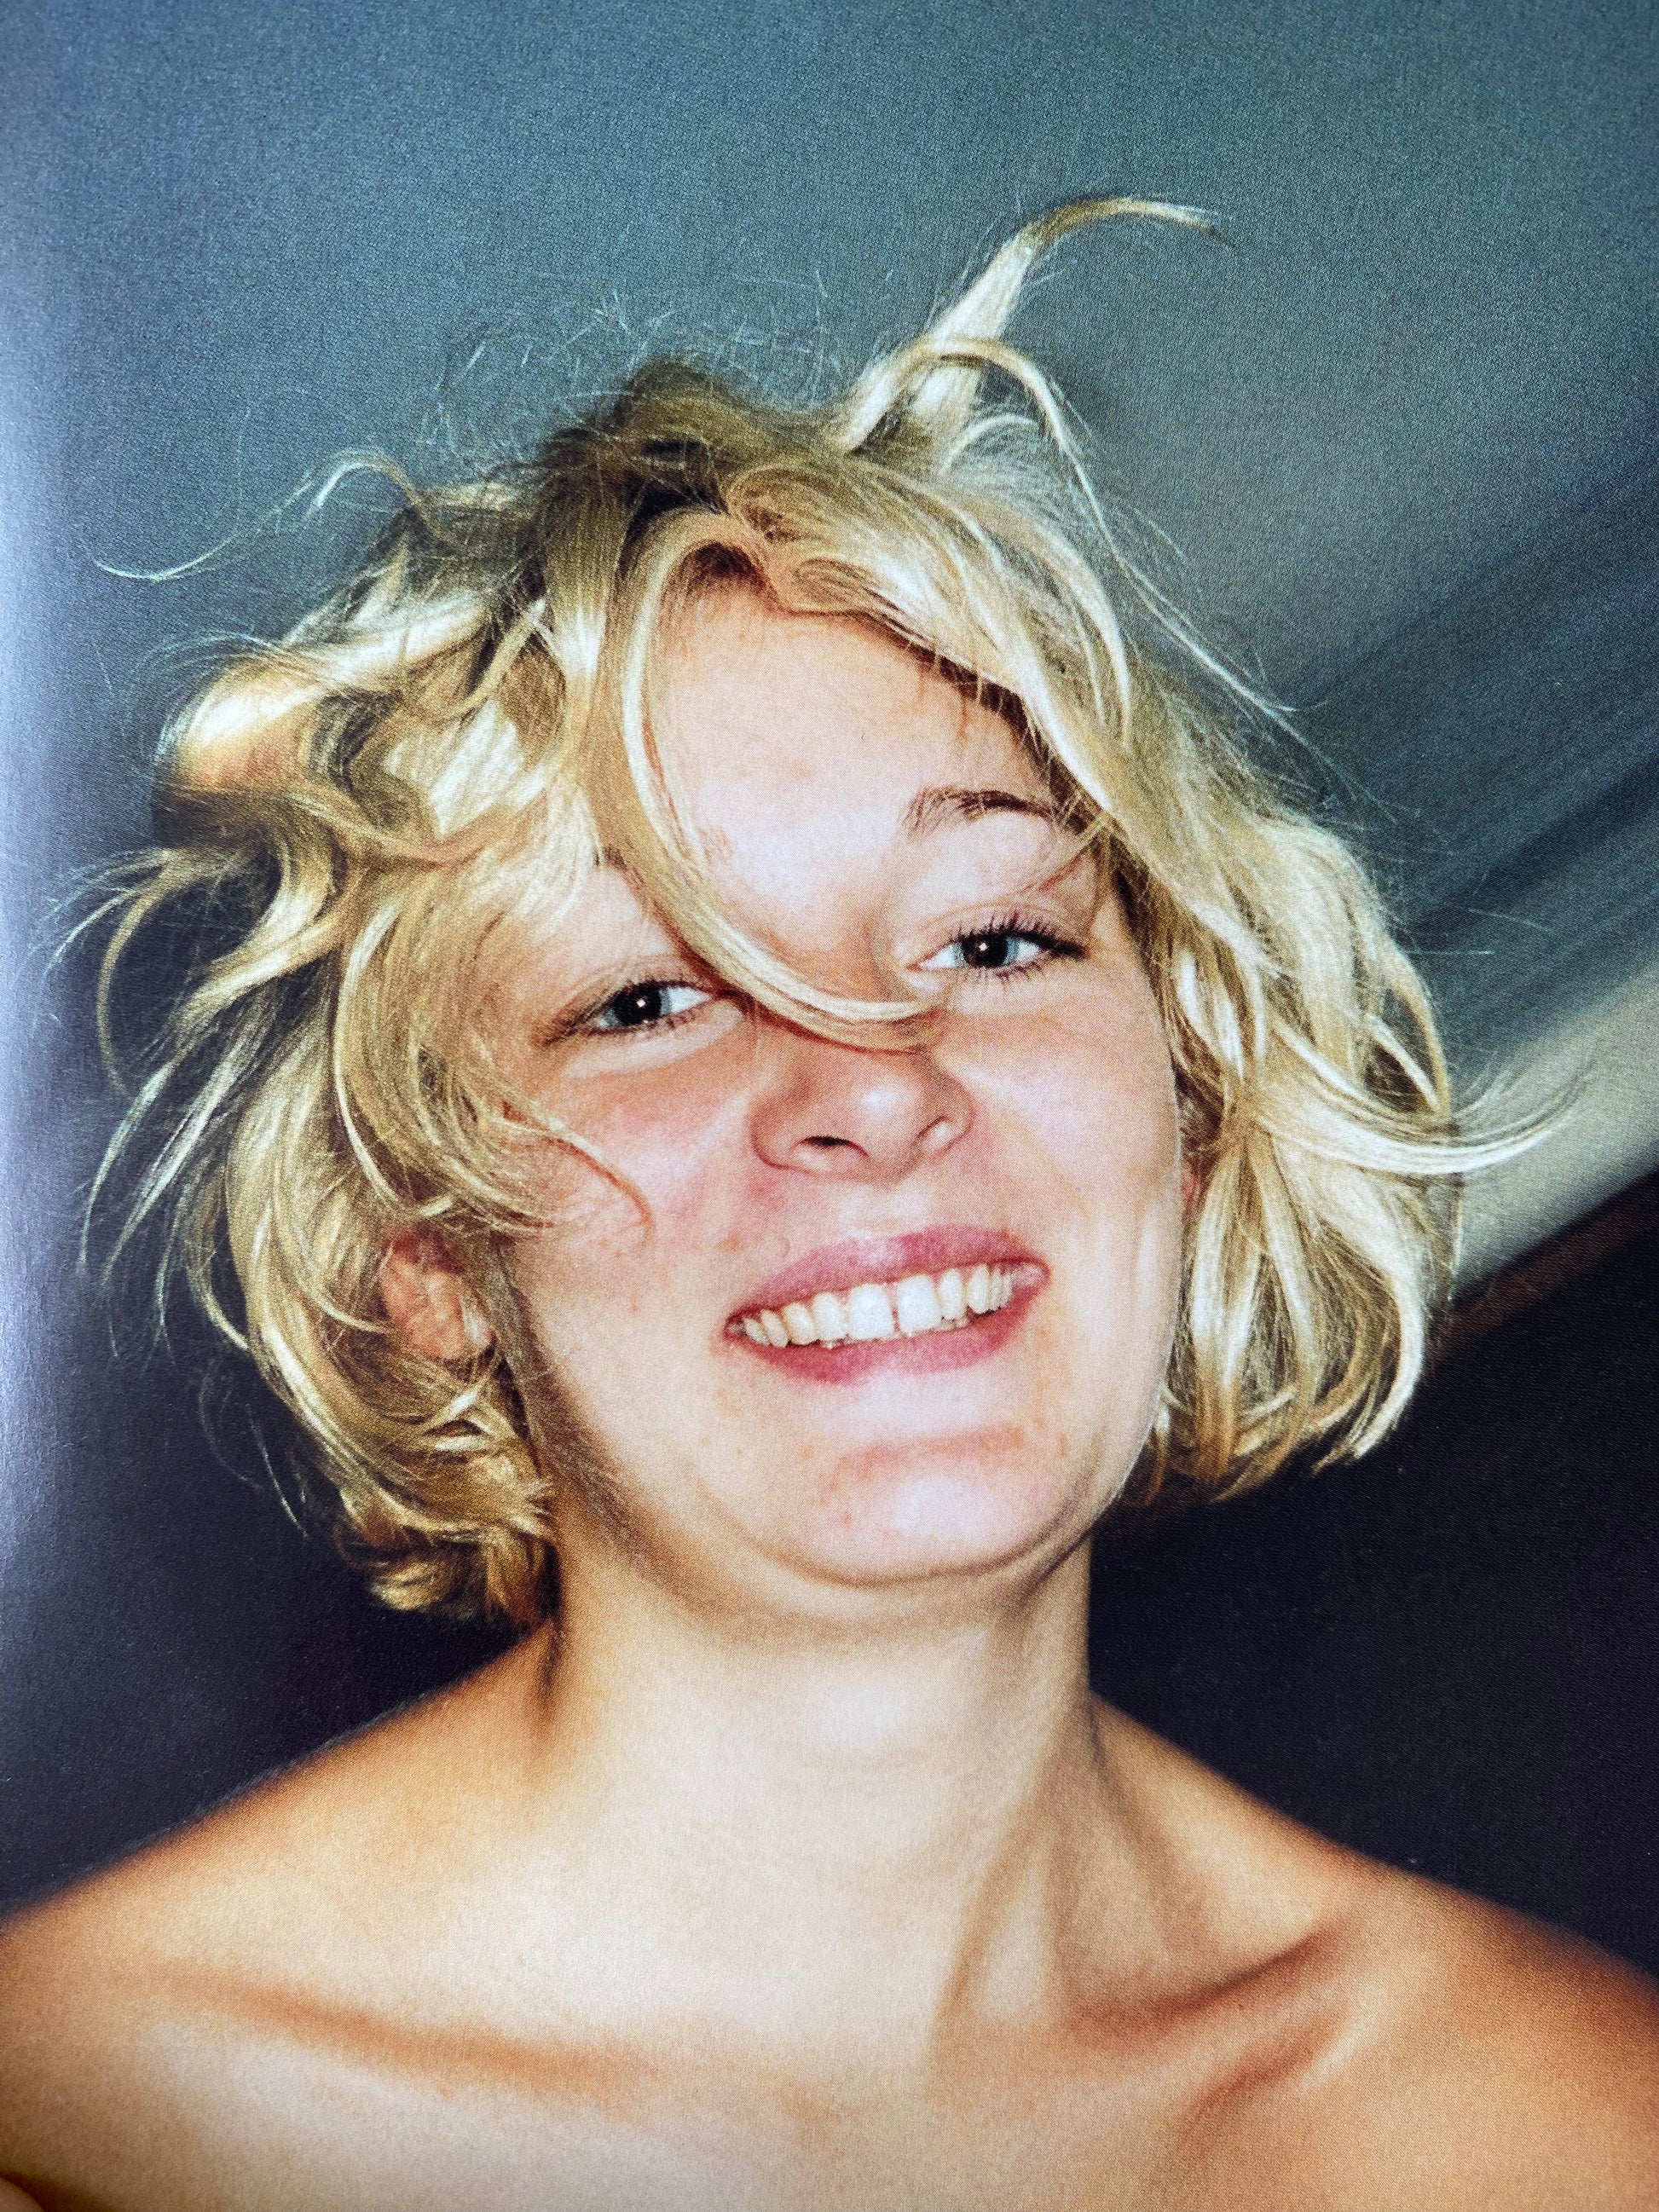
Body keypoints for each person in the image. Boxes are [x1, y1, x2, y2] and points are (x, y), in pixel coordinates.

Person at [1, 199, 1655, 2212]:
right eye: (646, 996)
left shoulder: (1558, 2131)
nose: (872, 1078)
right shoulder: (78, 2124)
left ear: (1191, 1105)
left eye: (992, 939)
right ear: (424, 1256)